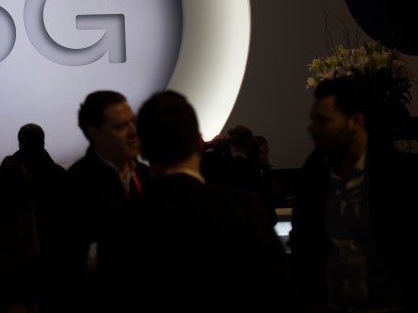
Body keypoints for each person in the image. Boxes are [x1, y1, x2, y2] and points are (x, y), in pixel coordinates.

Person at [98, 90, 299, 312]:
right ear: (198, 143)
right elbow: (282, 294)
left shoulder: (120, 220)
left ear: (142, 150)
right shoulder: (243, 208)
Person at [289, 76, 418, 312]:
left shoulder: (399, 176)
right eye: (313, 120)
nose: (312, 129)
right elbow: (304, 244)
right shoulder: (315, 174)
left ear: (356, 122)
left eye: (323, 120)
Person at [59, 90, 150, 311]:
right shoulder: (75, 184)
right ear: (95, 133)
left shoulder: (147, 176)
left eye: (133, 122)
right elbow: (69, 258)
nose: (133, 132)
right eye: (120, 126)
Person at [0, 123, 67, 313]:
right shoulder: (60, 174)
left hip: (14, 254)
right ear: (43, 142)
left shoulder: (6, 172)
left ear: (20, 143)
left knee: (14, 302)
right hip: (51, 256)